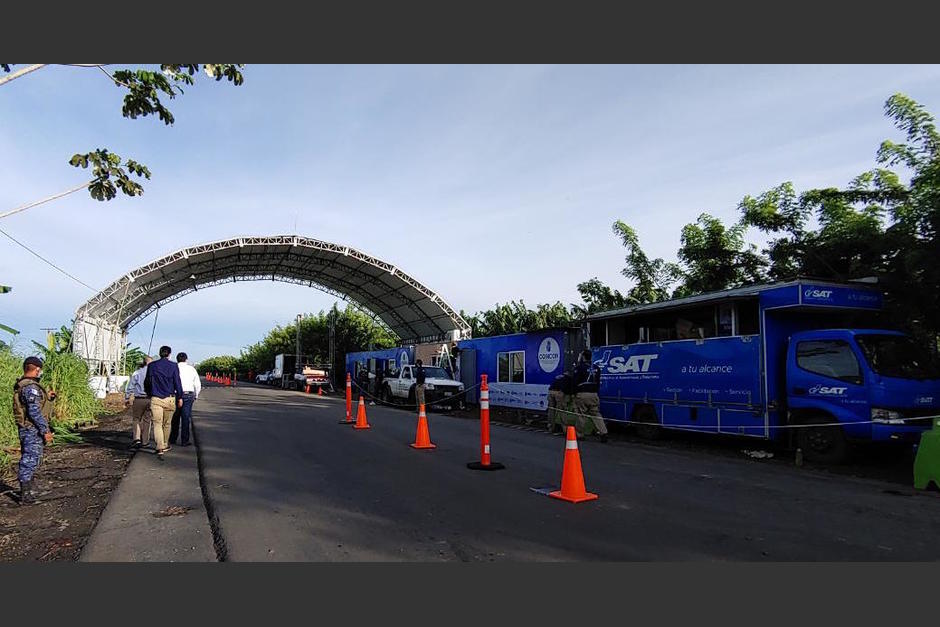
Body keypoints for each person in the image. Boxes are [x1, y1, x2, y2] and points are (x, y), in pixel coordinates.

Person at [12, 356, 55, 504]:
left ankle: (29, 489)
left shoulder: (24, 385)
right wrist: (45, 430)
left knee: (32, 458)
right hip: (32, 429)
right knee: (29, 460)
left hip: (28, 428)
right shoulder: (30, 388)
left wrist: (48, 397)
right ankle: (25, 495)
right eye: (39, 370)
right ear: (37, 369)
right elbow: (34, 412)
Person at [144, 345, 184, 461]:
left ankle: (159, 446)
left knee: (157, 424)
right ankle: (165, 444)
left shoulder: (152, 365)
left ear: (160, 353)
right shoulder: (173, 366)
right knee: (167, 424)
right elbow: (177, 382)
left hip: (156, 398)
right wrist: (180, 397)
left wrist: (148, 393)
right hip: (170, 398)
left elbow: (147, 381)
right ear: (169, 354)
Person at [573, 350, 609, 443]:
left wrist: (574, 392)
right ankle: (603, 432)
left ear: (583, 357)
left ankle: (580, 434)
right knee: (596, 414)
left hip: (582, 393)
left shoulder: (579, 368)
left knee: (581, 414)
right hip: (594, 394)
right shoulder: (596, 368)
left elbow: (575, 381)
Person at [169, 352, 200, 447]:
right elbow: (197, 384)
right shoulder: (192, 369)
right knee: (186, 418)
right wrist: (196, 395)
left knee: (175, 417)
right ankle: (184, 440)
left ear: (177, 359)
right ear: (186, 359)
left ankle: (173, 438)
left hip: (175, 395)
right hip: (188, 395)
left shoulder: (173, 368)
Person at [124, 356, 153, 449]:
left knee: (136, 419)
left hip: (139, 399)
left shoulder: (137, 373)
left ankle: (136, 439)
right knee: (147, 420)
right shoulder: (154, 373)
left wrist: (127, 397)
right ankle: (145, 441)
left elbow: (130, 386)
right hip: (150, 399)